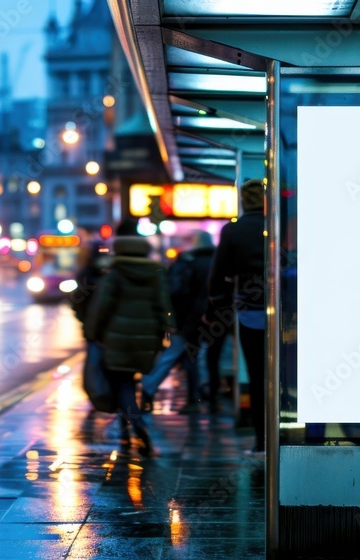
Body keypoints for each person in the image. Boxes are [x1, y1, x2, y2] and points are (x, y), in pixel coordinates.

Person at [85, 224, 174, 457]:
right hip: (146, 341)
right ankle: (125, 430)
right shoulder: (156, 273)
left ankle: (138, 428)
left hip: (116, 339)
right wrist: (163, 334)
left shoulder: (115, 273)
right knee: (129, 381)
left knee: (122, 385)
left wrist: (92, 334)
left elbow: (102, 309)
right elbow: (164, 306)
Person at [207, 178, 266, 454]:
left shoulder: (233, 230)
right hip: (289, 314)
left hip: (250, 312)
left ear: (243, 200)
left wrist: (218, 307)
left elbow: (218, 275)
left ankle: (261, 442)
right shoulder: (281, 227)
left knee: (257, 375)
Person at [140, 230, 216, 414]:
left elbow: (176, 292)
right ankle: (206, 396)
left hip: (187, 320)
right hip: (213, 319)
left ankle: (148, 389)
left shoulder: (187, 262)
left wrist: (174, 320)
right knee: (207, 358)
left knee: (174, 356)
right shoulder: (216, 262)